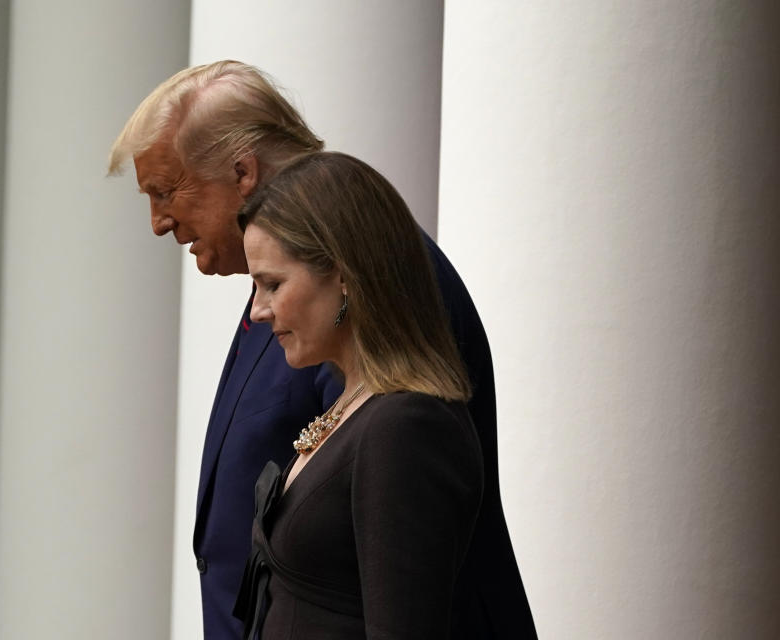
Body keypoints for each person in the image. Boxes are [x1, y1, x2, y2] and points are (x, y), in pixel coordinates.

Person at [107, 61, 535, 638]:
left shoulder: (378, 308)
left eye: (165, 190)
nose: (159, 222)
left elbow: (386, 569)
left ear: (242, 172)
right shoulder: (304, 297)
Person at [234, 150, 488, 638]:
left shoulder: (407, 427)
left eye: (272, 284)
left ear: (345, 273)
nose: (258, 311)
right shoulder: (356, 404)